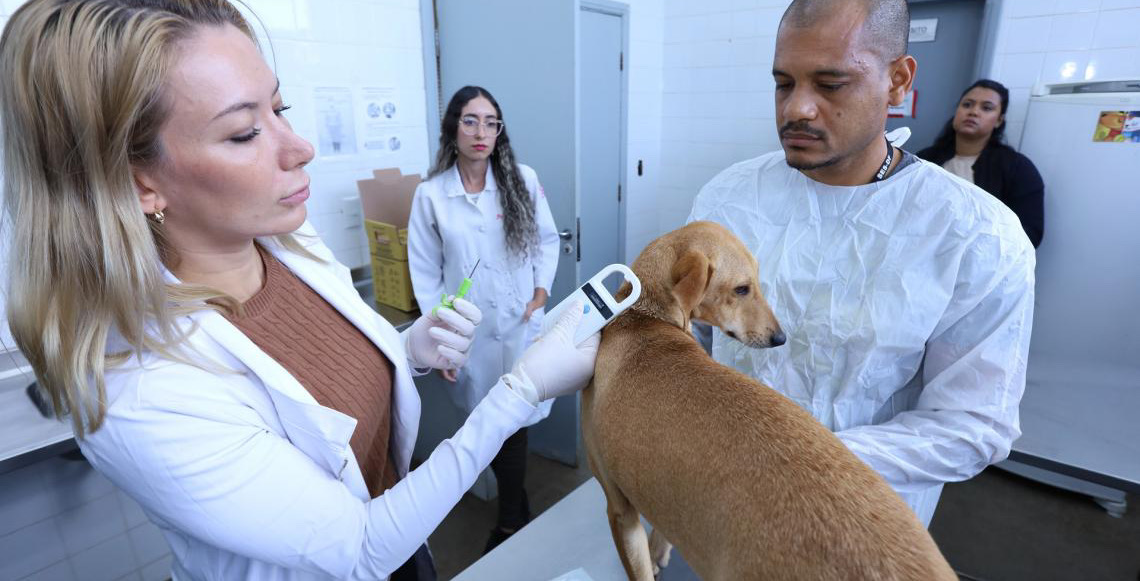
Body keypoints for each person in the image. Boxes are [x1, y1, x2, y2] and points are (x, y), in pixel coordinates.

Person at [0, 2, 597, 579]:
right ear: (140, 185)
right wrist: (520, 391)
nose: (300, 148)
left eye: (280, 108)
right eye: (243, 133)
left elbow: (322, 389)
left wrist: (409, 350)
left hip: (407, 548)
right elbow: (360, 546)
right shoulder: (140, 391)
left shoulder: (285, 240)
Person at [688, 0, 1036, 527]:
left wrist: (794, 459)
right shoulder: (730, 198)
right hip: (723, 501)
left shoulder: (975, 234)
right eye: (784, 83)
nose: (796, 109)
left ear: (897, 81)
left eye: (830, 85)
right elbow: (692, 340)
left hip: (864, 522)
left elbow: (970, 425)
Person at [407, 86, 560, 553]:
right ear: (453, 127)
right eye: (470, 120)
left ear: (499, 131)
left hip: (519, 324)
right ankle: (518, 509)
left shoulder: (522, 179)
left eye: (491, 122)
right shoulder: (432, 195)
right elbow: (425, 271)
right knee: (485, 423)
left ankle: (511, 517)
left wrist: (540, 291)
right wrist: (441, 340)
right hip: (466, 333)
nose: (481, 132)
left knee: (514, 421)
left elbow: (546, 241)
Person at [917, 79, 1045, 247]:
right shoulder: (925, 160)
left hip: (981, 266)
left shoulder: (1018, 168)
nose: (974, 112)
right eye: (967, 105)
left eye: (986, 108)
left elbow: (1029, 234)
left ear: (999, 120)